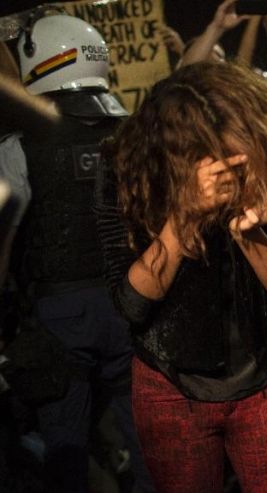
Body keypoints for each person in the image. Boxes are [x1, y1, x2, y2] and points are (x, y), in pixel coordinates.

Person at [96, 60, 267, 493]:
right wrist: (185, 215)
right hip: (171, 383)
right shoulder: (126, 167)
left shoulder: (261, 163)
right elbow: (132, 302)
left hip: (264, 374)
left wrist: (247, 229)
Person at [11, 14, 153, 493]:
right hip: (131, 298)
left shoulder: (19, 146)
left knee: (64, 443)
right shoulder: (135, 133)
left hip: (59, 310)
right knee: (146, 438)